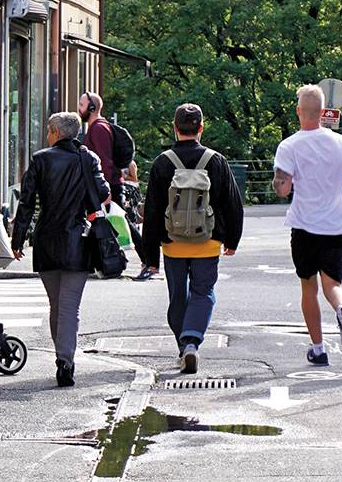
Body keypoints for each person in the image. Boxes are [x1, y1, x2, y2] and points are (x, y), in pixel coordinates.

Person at [142, 103, 243, 374]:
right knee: (203, 292)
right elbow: (233, 204)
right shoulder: (216, 161)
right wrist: (232, 240)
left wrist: (149, 258)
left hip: (172, 243)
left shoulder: (163, 162)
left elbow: (151, 211)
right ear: (201, 128)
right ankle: (191, 342)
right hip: (207, 242)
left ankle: (183, 346)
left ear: (175, 128)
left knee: (178, 296)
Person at [271, 85, 342, 365]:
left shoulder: (289, 146)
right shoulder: (341, 143)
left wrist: (285, 182)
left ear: (299, 111)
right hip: (336, 227)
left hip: (304, 227)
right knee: (333, 284)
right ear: (323, 112)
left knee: (308, 287)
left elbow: (282, 187)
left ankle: (318, 348)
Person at [11, 111, 109, 388]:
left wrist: (18, 240)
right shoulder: (88, 158)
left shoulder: (41, 159)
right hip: (78, 238)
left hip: (46, 241)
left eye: (48, 130)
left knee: (57, 304)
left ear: (55, 132)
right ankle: (65, 360)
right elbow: (102, 193)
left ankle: (62, 356)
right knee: (68, 307)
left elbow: (27, 202)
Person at [79, 92, 123, 213]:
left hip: (108, 192)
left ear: (91, 108)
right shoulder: (98, 127)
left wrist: (105, 192)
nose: (79, 108)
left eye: (81, 105)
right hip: (105, 190)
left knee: (116, 229)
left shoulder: (99, 129)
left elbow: (105, 161)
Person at [122, 160, 158, 282]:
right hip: (122, 191)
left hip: (129, 192)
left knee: (130, 222)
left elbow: (134, 179)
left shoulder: (130, 163)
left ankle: (145, 260)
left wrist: (123, 176)